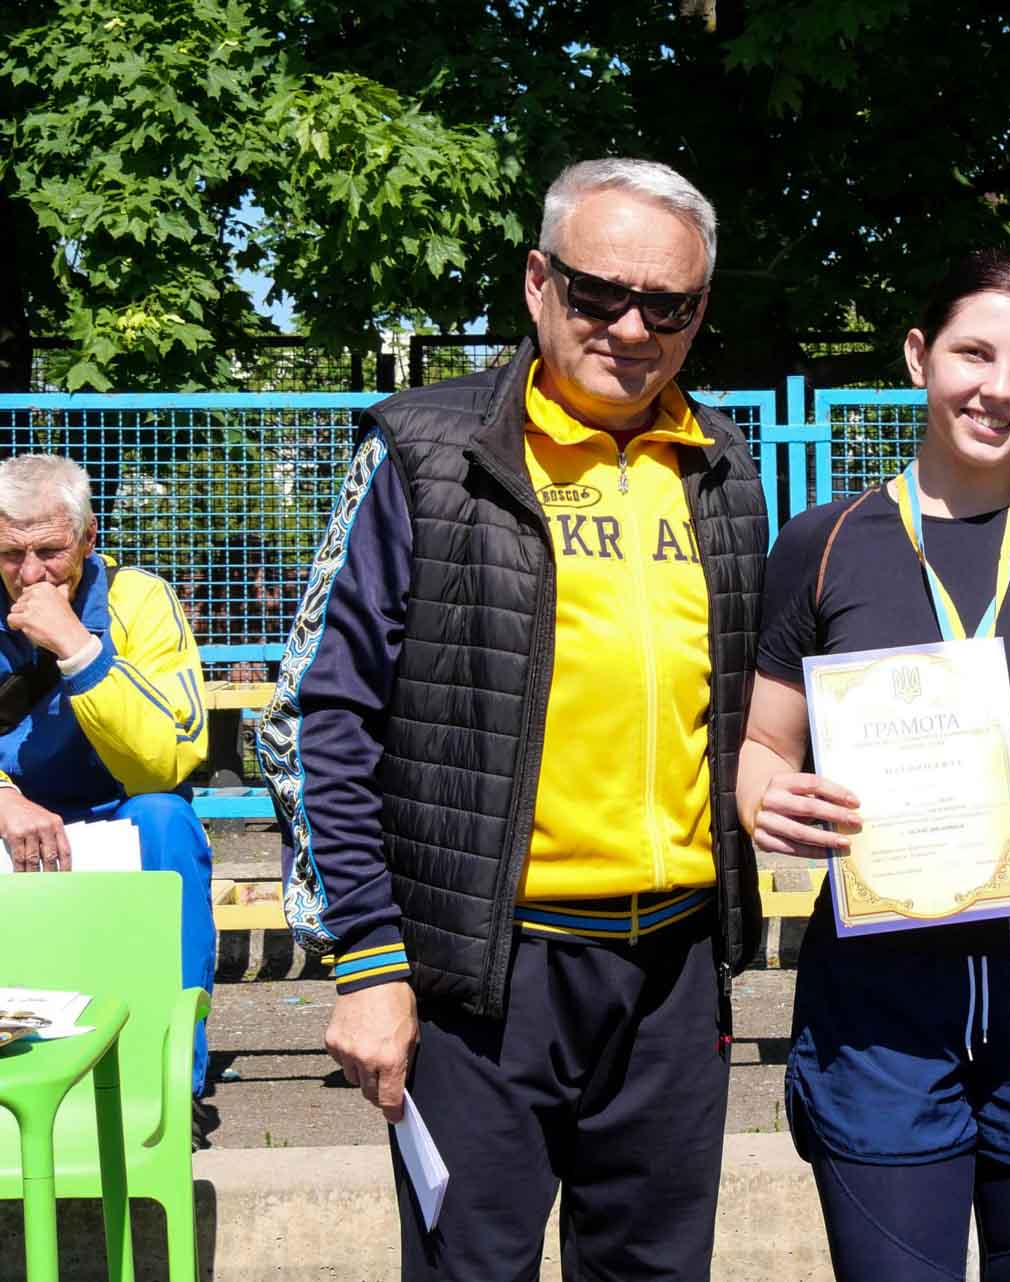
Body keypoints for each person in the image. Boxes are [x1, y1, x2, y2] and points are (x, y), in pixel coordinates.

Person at [260, 158, 765, 1281]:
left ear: (698, 315)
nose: (631, 327)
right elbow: (313, 715)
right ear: (538, 282)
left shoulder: (724, 469)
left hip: (676, 974)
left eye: (668, 306)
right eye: (598, 294)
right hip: (483, 980)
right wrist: (367, 959)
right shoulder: (423, 454)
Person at [738, 250, 1010, 1282]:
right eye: (974, 353)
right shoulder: (824, 542)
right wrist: (767, 803)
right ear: (921, 356)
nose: (997, 389)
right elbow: (760, 749)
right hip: (879, 995)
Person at [0, 453, 215, 1122]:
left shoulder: (140, 600)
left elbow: (167, 761)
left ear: (89, 539)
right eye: (10, 555)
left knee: (168, 822)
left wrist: (78, 650)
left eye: (49, 551)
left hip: (116, 803)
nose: (31, 574)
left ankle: (172, 1079)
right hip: (12, 805)